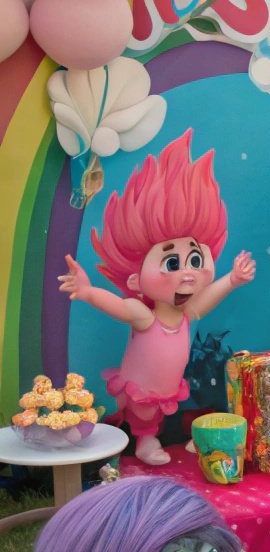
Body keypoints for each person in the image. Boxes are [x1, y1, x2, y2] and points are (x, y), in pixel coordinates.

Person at [59, 131, 254, 466]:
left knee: (153, 418)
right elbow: (118, 306)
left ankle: (145, 441)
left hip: (164, 389)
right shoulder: (143, 314)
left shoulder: (187, 312)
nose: (188, 273)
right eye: (172, 263)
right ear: (136, 279)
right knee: (137, 416)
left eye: (195, 260)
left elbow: (209, 298)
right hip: (138, 388)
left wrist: (232, 280)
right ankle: (117, 439)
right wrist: (89, 292)